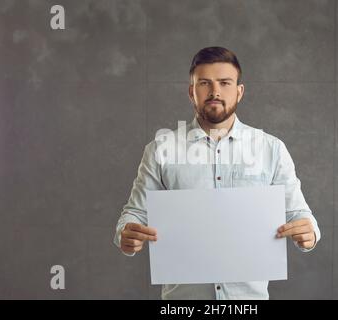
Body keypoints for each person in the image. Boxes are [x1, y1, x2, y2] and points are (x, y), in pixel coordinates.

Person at [114, 46, 321, 300]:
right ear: (192, 92)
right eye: (204, 83)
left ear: (239, 91)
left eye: (225, 83)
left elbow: (299, 214)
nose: (215, 92)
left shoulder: (271, 149)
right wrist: (125, 234)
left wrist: (309, 235)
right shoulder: (161, 150)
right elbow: (134, 213)